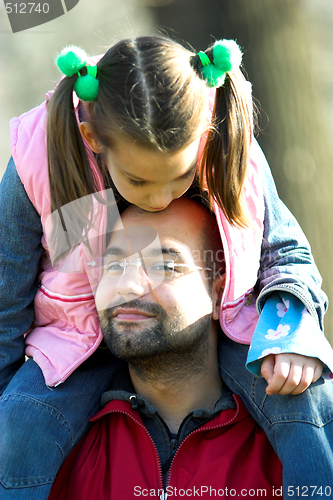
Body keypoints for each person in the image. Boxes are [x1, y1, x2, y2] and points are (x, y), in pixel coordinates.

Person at [0, 36, 332, 499]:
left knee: (310, 402)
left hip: (225, 324)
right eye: (138, 180)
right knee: (17, 423)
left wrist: (290, 332)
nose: (160, 198)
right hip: (69, 340)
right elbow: (5, 295)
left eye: (180, 176)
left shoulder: (227, 146)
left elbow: (287, 254)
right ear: (93, 138)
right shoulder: (42, 165)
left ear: (203, 137)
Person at [47, 198, 332, 500]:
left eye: (165, 266)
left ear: (219, 293)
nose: (127, 285)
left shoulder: (295, 453)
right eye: (115, 265)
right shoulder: (55, 454)